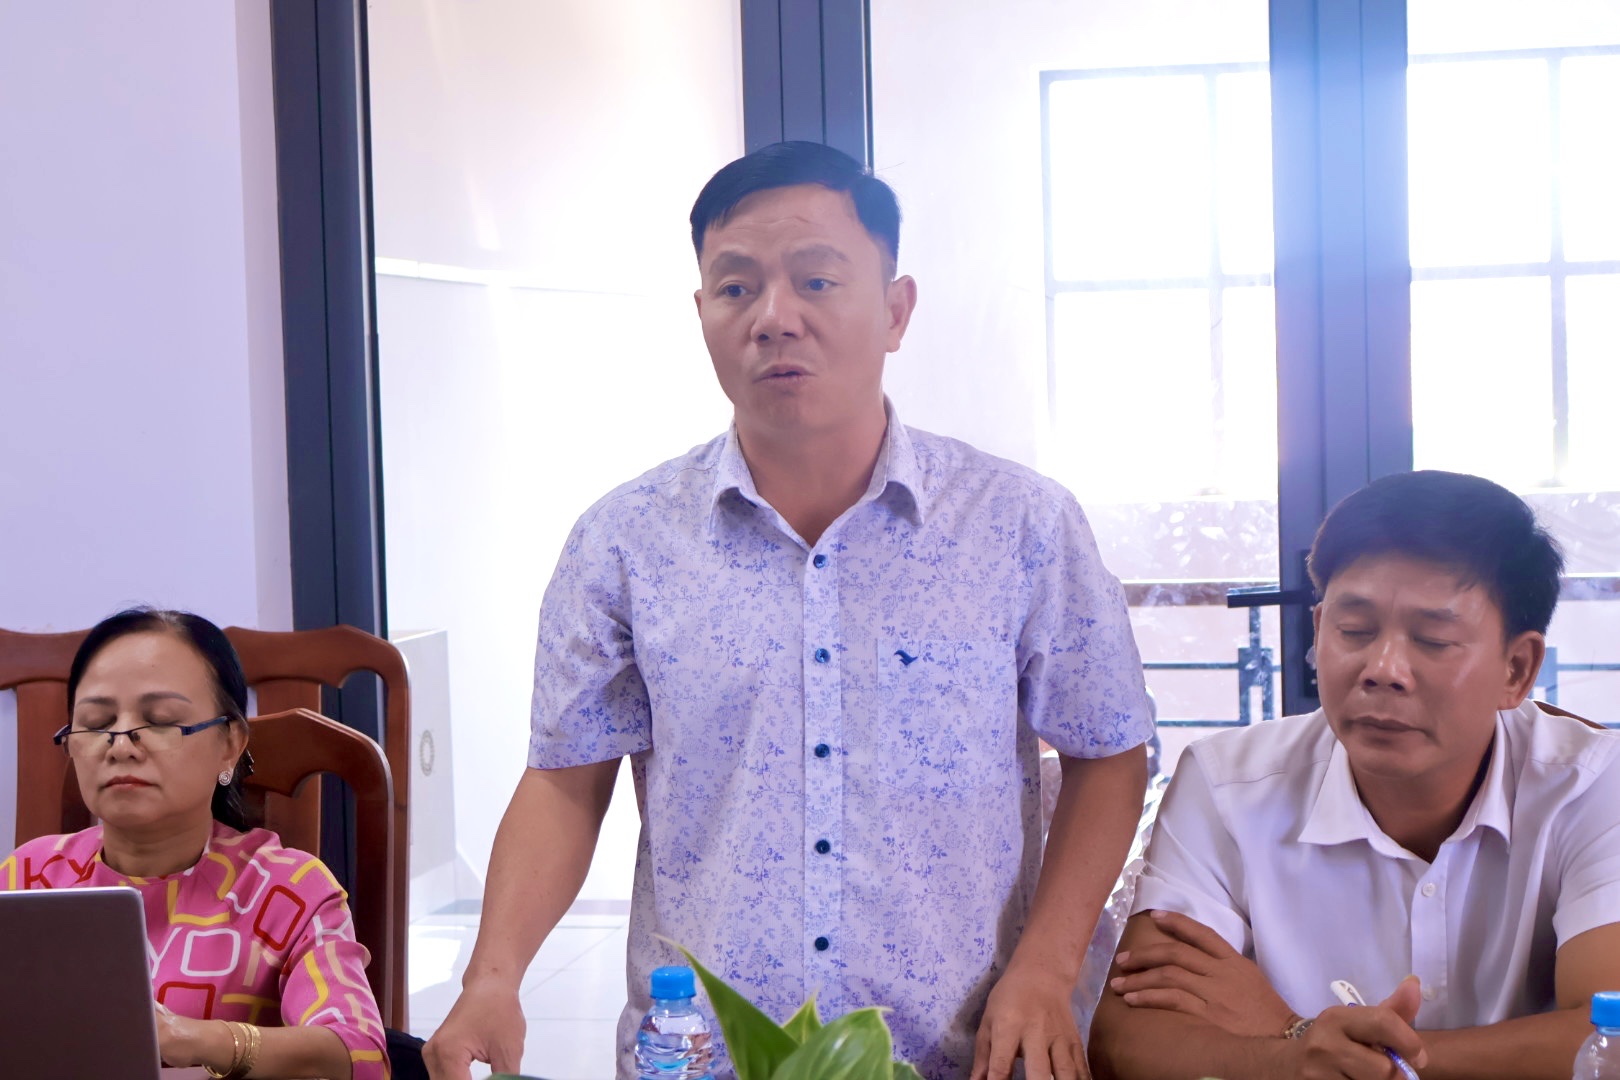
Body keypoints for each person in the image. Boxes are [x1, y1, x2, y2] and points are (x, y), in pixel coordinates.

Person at [424, 141, 1154, 1080]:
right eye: (737, 288)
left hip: (961, 1051)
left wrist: (1047, 969)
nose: (775, 318)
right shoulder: (624, 540)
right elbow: (566, 781)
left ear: (896, 311)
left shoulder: (1019, 524)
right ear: (702, 314)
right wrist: (493, 979)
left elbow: (1108, 750)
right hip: (703, 1054)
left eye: (817, 280)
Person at [1088, 470, 1620, 1080]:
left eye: (1433, 639)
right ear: (1318, 631)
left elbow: (1608, 1037)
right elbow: (1126, 1039)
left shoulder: (1593, 783)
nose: (1383, 668)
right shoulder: (1226, 785)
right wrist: (1294, 1055)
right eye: (1355, 631)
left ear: (1517, 670)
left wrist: (1301, 1037)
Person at [1, 608, 390, 1080]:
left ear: (230, 744)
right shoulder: (31, 875)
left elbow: (359, 1054)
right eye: (97, 722)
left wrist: (188, 1039)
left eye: (161, 721)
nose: (120, 745)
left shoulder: (287, 889)